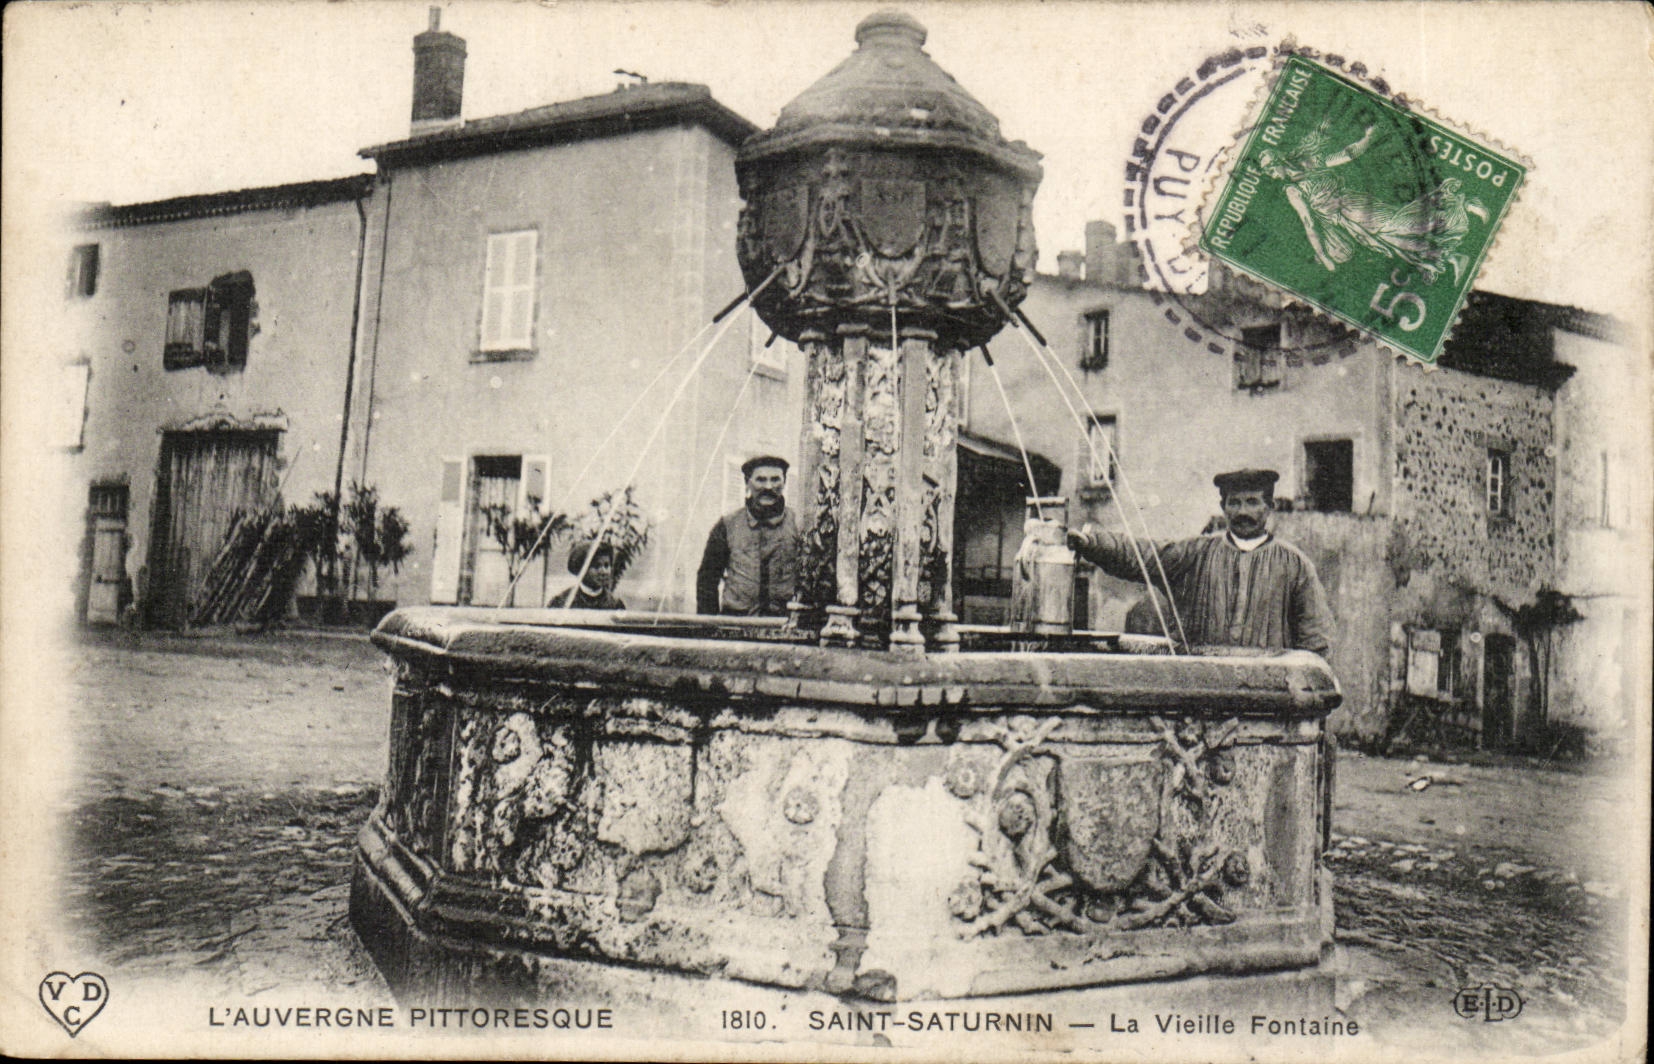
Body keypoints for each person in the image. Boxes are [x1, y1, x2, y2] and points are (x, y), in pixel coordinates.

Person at [1066, 468, 1332, 654]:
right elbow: (1142, 555)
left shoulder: (1295, 565)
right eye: (1234, 503)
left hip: (1266, 698)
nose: (1243, 512)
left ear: (1269, 507)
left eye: (1252, 502)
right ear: (1223, 507)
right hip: (1204, 694)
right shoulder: (1196, 554)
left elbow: (1315, 641)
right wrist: (1093, 543)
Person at [696, 455, 799, 616]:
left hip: (783, 622)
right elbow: (707, 580)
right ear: (747, 483)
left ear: (784, 483)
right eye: (760, 480)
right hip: (736, 622)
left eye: (775, 480)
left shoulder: (798, 524)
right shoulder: (727, 525)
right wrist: (710, 625)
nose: (768, 487)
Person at [548, 540, 625, 610]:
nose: (603, 572)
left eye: (606, 565)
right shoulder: (562, 602)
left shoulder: (615, 605)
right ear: (581, 569)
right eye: (596, 566)